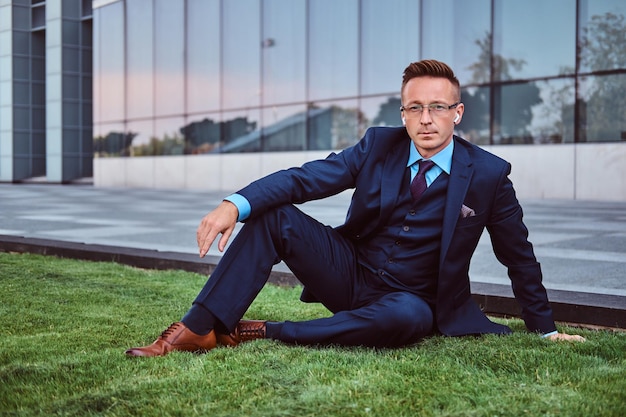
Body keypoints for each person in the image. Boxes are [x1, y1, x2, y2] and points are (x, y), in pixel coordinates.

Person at [125, 59, 584, 357]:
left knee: (405, 319)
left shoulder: (487, 175)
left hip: (414, 301)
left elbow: (517, 254)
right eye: (415, 108)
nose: (426, 119)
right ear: (403, 113)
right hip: (351, 274)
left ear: (457, 113)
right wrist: (234, 203)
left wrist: (544, 329)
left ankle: (264, 330)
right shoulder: (378, 146)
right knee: (275, 214)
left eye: (438, 107)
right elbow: (305, 179)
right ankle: (198, 328)